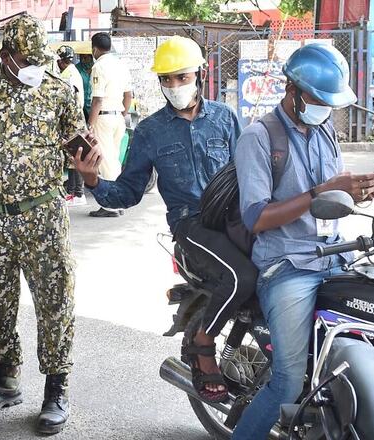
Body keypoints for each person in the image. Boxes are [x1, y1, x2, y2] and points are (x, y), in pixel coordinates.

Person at [73, 35, 257, 403]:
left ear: (199, 74)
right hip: (192, 224)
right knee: (242, 277)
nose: (174, 86)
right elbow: (128, 192)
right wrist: (92, 180)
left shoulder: (225, 118)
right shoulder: (150, 131)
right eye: (166, 79)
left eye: (181, 77)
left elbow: (251, 172)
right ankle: (204, 343)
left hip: (234, 219)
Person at [231, 44, 374, 439]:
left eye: (330, 103)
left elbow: (331, 193)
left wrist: (357, 190)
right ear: (292, 90)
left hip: (335, 255)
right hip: (288, 266)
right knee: (288, 381)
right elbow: (257, 218)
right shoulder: (259, 137)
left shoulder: (324, 128)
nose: (325, 109)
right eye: (318, 100)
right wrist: (321, 192)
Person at [0, 14, 86, 435]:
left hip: (44, 215)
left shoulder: (59, 91)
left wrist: (89, 166)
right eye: (28, 59)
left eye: (40, 60)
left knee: (55, 303)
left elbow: (79, 147)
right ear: (6, 55)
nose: (35, 67)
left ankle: (56, 390)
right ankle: (6, 381)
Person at [88, 32, 132, 218]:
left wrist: (90, 124)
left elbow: (97, 99)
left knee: (105, 162)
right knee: (113, 160)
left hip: (104, 118)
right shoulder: (121, 64)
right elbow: (128, 95)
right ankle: (118, 202)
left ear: (94, 49)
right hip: (118, 118)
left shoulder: (99, 66)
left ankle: (110, 206)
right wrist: (122, 114)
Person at [56, 45, 87, 207]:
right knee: (72, 158)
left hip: (72, 120)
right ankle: (73, 192)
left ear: (61, 61)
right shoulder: (72, 71)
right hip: (73, 118)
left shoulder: (68, 74)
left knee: (75, 157)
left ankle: (78, 193)